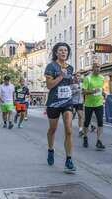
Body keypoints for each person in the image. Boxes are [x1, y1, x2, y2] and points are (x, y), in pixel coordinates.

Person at [44, 42, 76, 173]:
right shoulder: (51, 66)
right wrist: (61, 76)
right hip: (53, 103)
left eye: (65, 50)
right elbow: (49, 85)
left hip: (67, 102)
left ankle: (69, 159)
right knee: (53, 129)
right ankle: (51, 150)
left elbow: (68, 84)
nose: (63, 52)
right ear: (56, 53)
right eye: (61, 50)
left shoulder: (71, 68)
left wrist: (74, 84)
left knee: (69, 130)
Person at [82, 63, 105, 150]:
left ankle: (99, 141)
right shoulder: (87, 78)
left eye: (99, 67)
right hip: (89, 104)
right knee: (87, 122)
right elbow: (83, 91)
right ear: (93, 68)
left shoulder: (102, 78)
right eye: (97, 67)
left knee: (100, 122)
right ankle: (85, 137)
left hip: (99, 103)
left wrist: (103, 93)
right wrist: (92, 91)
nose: (98, 69)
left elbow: (101, 89)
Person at [71, 72, 84, 137]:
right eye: (76, 76)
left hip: (80, 102)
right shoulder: (72, 84)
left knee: (80, 116)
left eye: (78, 76)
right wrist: (76, 90)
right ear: (74, 77)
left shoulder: (82, 84)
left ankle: (80, 130)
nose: (77, 77)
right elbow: (70, 93)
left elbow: (84, 92)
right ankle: (68, 127)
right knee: (72, 116)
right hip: (73, 103)